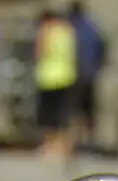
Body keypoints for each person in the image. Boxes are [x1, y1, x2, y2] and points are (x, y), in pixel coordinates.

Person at [33, 8, 78, 158]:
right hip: (66, 75)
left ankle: (49, 145)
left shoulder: (46, 31)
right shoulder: (67, 30)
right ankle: (63, 145)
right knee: (63, 112)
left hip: (48, 76)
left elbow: (40, 51)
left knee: (48, 114)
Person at [70, 2, 107, 148]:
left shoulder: (73, 28)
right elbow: (103, 47)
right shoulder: (92, 27)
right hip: (90, 73)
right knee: (89, 109)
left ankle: (78, 139)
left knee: (77, 109)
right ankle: (89, 138)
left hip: (76, 74)